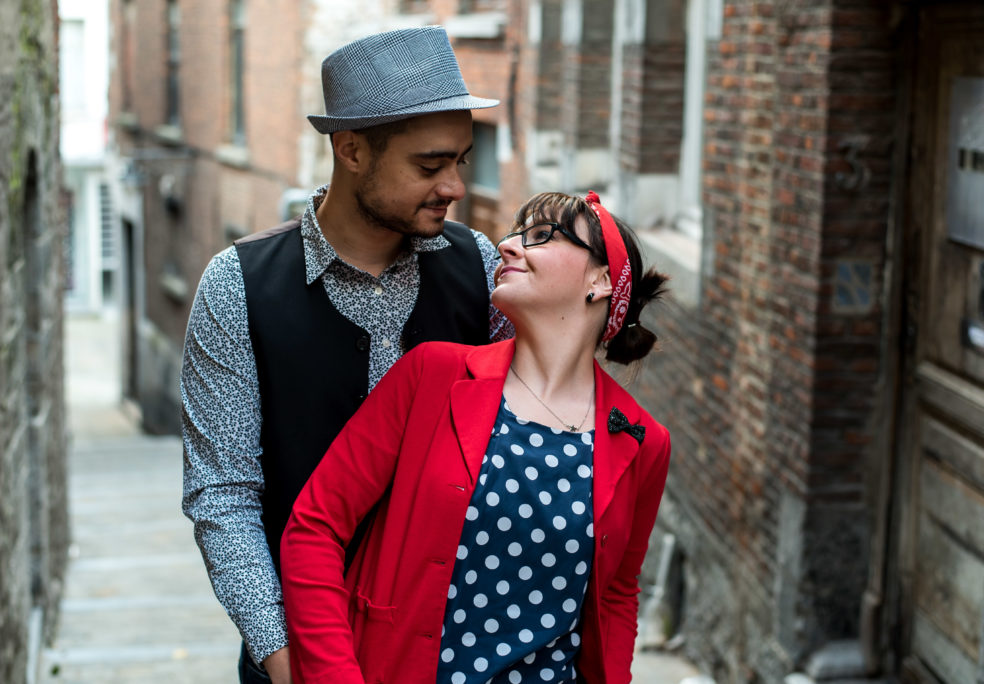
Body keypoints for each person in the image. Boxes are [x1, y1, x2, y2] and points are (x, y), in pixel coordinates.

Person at [180, 26, 514, 684]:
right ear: (352, 149)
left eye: (461, 161)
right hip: (300, 654)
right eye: (428, 165)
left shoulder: (479, 266)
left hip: (456, 649)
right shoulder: (236, 285)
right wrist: (284, 660)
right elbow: (223, 497)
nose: (453, 185)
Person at [280, 190, 671, 683]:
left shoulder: (641, 442)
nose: (508, 246)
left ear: (599, 279)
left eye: (542, 236)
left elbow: (616, 594)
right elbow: (315, 528)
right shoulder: (431, 376)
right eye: (515, 233)